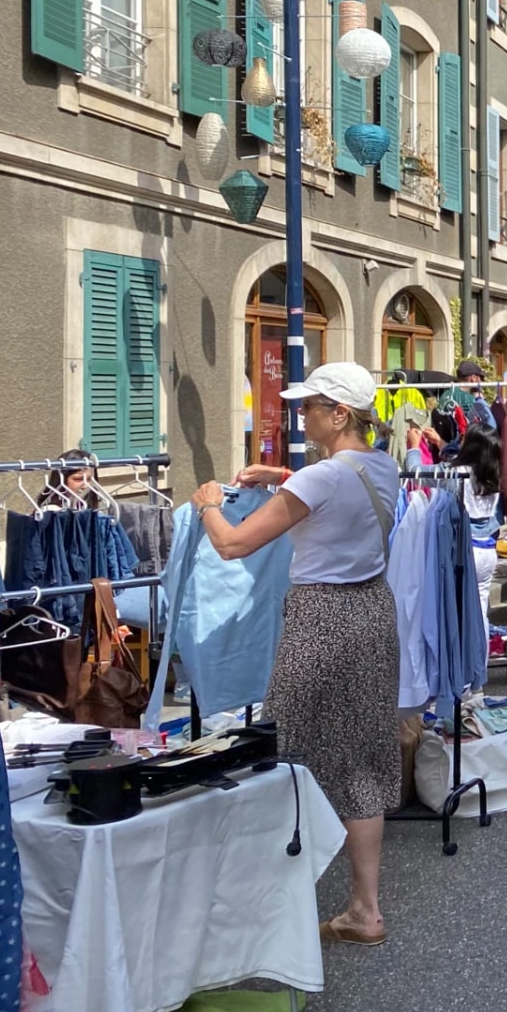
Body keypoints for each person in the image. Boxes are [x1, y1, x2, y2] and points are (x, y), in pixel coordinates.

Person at [191, 362, 403, 945]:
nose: (300, 413)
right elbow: (342, 485)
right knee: (360, 755)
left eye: (310, 405)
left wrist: (209, 502)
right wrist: (283, 475)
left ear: (339, 414)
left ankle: (261, 901)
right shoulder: (383, 467)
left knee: (283, 746)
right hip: (371, 613)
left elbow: (233, 544)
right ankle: (366, 908)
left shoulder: (318, 479)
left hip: (321, 618)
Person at [452, 427, 502, 618]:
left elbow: (419, 472)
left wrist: (414, 449)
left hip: (467, 550)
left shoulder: (459, 474)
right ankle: (483, 648)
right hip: (488, 551)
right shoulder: (493, 476)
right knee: (481, 612)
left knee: (460, 613)